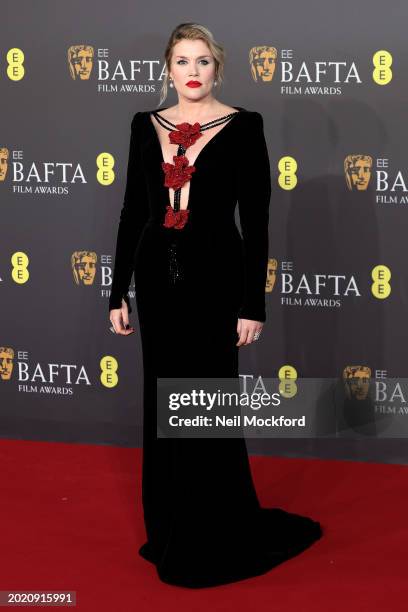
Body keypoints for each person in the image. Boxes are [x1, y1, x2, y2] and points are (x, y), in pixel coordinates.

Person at [108, 22, 323, 589]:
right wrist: (118, 290)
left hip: (215, 282)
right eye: (182, 61)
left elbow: (256, 224)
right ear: (168, 69)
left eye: (203, 61)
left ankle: (214, 528)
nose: (193, 72)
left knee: (206, 403)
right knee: (164, 401)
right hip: (157, 280)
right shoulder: (142, 125)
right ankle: (172, 528)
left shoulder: (244, 127)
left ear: (217, 68)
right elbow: (134, 209)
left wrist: (253, 304)